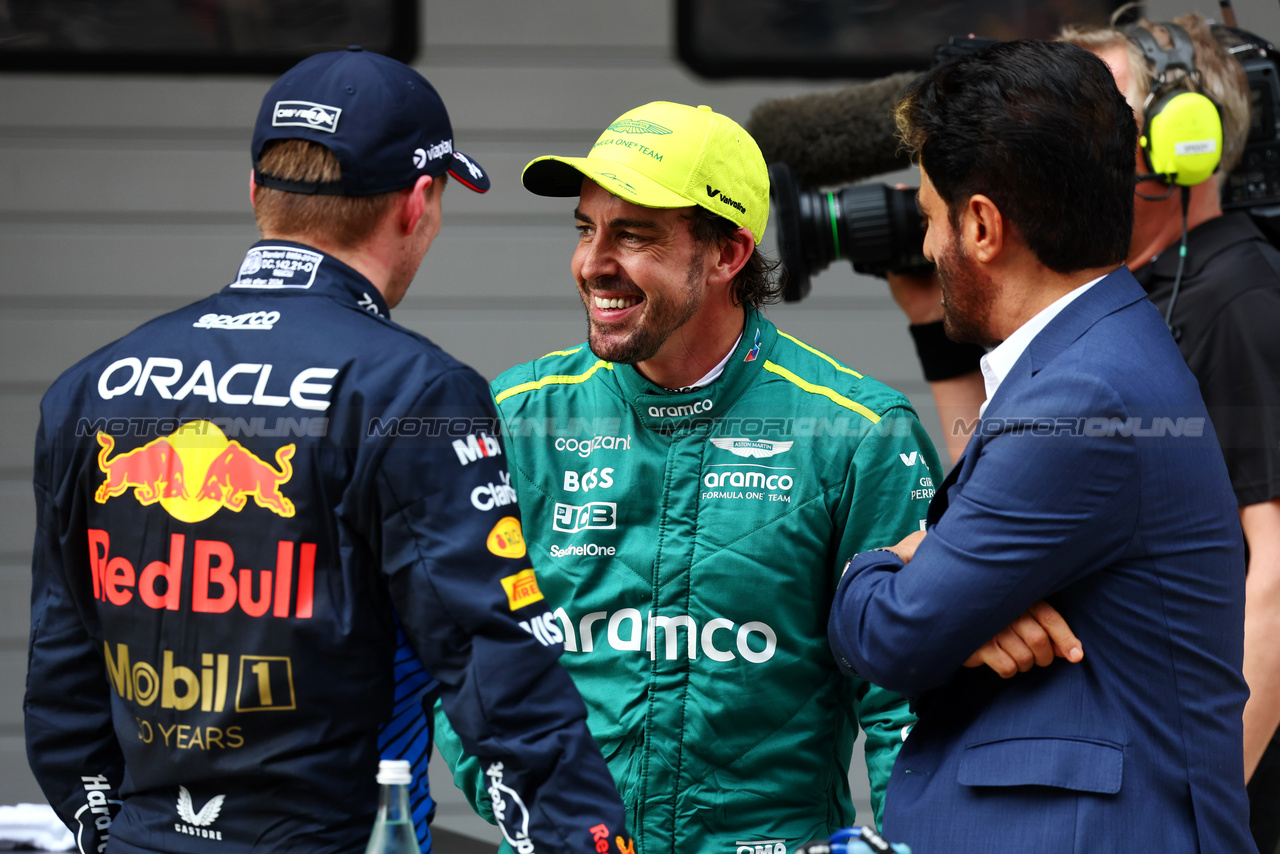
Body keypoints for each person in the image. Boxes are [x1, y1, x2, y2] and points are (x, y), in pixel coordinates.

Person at [24, 47, 633, 854]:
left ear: (256, 192)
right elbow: (496, 664)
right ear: (419, 203)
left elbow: (62, 669)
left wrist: (112, 829)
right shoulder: (414, 392)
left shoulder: (90, 387)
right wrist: (591, 841)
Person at [427, 100, 942, 853]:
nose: (592, 263)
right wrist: (546, 824)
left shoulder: (858, 434)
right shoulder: (516, 417)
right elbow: (461, 658)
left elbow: (910, 706)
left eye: (633, 235)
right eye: (585, 228)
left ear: (729, 254)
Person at [829, 38, 1257, 853]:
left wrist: (881, 563)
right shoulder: (1093, 356)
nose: (924, 248)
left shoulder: (1078, 398)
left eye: (929, 219)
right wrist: (962, 604)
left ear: (983, 225)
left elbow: (892, 636)